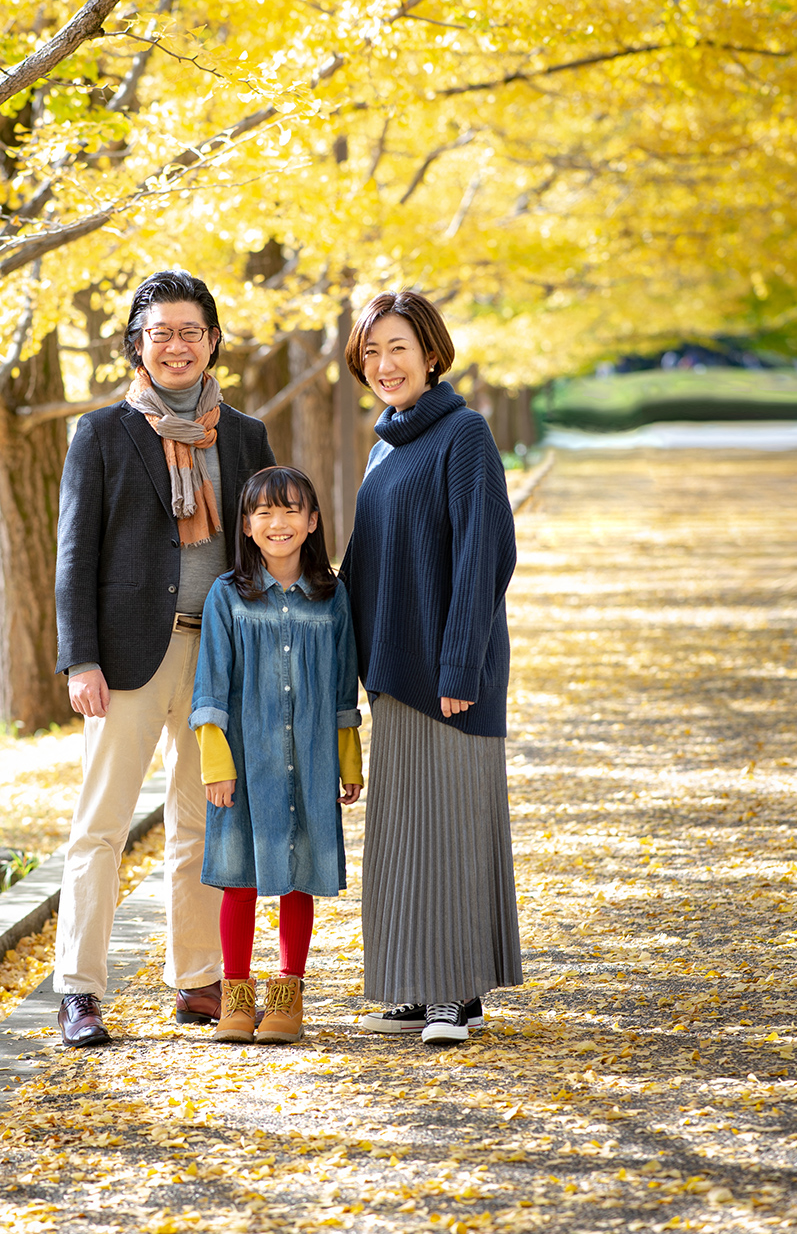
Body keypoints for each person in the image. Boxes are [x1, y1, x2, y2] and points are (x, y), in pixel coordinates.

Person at [53, 270, 274, 1047]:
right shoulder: (103, 433)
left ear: (213, 341)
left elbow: (266, 543)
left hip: (219, 655)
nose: (176, 345)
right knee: (100, 827)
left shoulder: (245, 435)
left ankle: (196, 982)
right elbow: (74, 555)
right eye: (161, 332)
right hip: (124, 661)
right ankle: (78, 989)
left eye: (190, 331)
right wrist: (79, 659)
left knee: (200, 825)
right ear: (138, 344)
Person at [339, 289, 522, 1046]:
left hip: (448, 676)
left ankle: (454, 993)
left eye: (398, 349)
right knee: (407, 832)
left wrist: (459, 667)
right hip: (394, 672)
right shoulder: (386, 445)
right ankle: (422, 988)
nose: (384, 365)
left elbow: (484, 556)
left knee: (451, 825)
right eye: (371, 352)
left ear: (432, 355)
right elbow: (364, 565)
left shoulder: (464, 434)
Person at [189, 466, 364, 1044]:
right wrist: (216, 762)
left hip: (311, 758)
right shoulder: (228, 595)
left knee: (296, 879)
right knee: (239, 877)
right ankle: (235, 997)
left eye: (291, 510)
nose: (277, 522)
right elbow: (210, 686)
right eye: (263, 511)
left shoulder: (331, 596)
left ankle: (288, 996)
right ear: (246, 524)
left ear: (313, 522)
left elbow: (343, 687)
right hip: (245, 760)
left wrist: (348, 759)